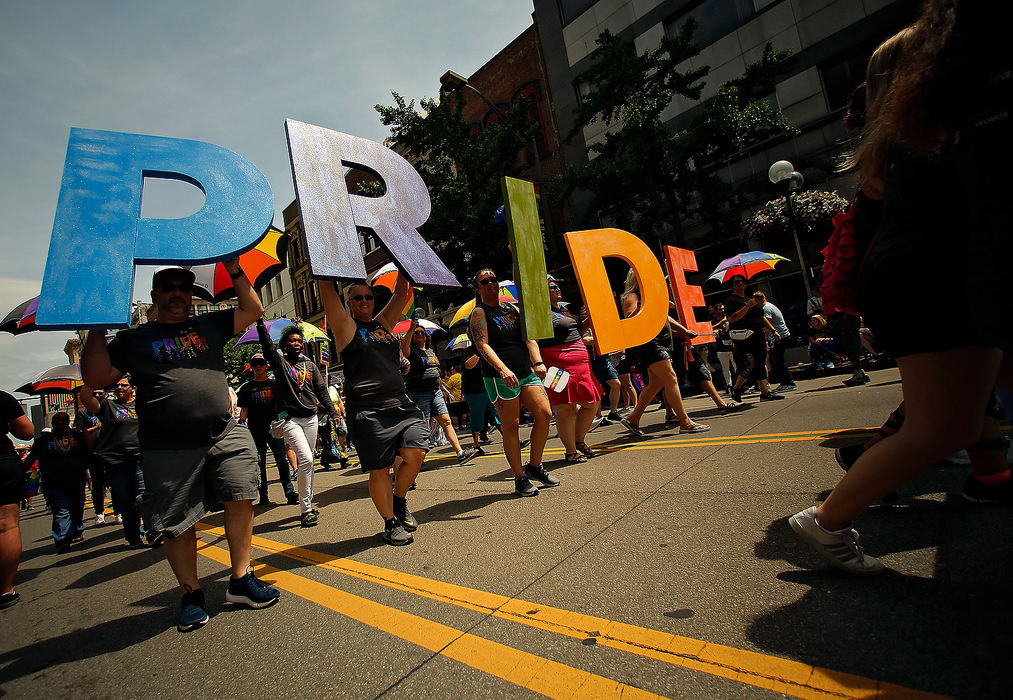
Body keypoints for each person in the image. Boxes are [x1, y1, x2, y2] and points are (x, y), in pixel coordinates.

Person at [789, 3, 1013, 573]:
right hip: (930, 283)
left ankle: (990, 478)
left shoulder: (910, 138)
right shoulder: (931, 132)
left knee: (963, 409)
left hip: (929, 281)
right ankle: (831, 515)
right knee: (947, 421)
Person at [82, 264, 280, 631]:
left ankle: (240, 579)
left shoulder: (209, 325)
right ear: (155, 296)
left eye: (184, 289)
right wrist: (95, 323)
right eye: (169, 288)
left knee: (241, 497)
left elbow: (253, 311)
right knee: (176, 523)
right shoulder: (134, 339)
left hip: (224, 432)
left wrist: (235, 270)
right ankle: (191, 593)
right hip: (167, 447)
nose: (178, 294)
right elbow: (95, 377)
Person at [318, 274, 427, 545]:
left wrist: (403, 264)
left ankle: (398, 500)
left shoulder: (382, 324)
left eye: (369, 297)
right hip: (368, 411)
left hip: (401, 404)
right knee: (379, 470)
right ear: (349, 303)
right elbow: (327, 292)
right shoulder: (345, 327)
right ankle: (390, 523)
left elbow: (400, 294)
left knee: (416, 453)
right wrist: (323, 261)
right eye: (358, 297)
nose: (365, 301)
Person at [469, 268, 555, 496]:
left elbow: (529, 337)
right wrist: (502, 368)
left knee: (545, 414)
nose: (491, 283)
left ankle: (535, 466)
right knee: (511, 425)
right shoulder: (479, 313)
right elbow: (482, 344)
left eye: (493, 279)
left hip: (525, 372)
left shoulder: (512, 308)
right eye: (485, 281)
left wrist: (538, 362)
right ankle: (519, 477)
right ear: (478, 289)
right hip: (499, 376)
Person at [256, 321, 336, 527]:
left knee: (307, 464)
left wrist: (333, 411)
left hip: (311, 418)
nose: (297, 344)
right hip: (289, 419)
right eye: (292, 341)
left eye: (299, 341)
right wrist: (259, 323)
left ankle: (307, 502)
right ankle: (306, 509)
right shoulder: (279, 362)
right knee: (307, 459)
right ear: (284, 345)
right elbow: (267, 347)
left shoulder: (309, 366)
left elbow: (321, 390)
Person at [619, 271, 709, 436]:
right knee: (671, 379)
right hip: (651, 345)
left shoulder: (648, 297)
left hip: (659, 344)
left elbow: (665, 317)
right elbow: (630, 318)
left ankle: (633, 418)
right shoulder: (632, 296)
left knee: (656, 383)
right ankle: (685, 422)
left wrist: (684, 331)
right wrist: (651, 305)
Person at [539, 279, 602, 463]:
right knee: (565, 408)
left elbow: (576, 331)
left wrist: (588, 321)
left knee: (592, 403)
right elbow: (532, 339)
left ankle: (578, 441)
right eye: (552, 287)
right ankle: (570, 451)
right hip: (556, 364)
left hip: (581, 364)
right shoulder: (540, 313)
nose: (557, 288)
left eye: (558, 285)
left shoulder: (564, 310)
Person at [80, 378, 148, 547]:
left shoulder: (142, 404)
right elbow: (87, 400)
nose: (119, 387)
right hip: (116, 461)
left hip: (141, 458)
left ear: (132, 387)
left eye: (123, 385)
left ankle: (153, 531)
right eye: (116, 385)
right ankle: (134, 538)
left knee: (144, 495)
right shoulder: (107, 405)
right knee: (126, 500)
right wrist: (93, 377)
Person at [400, 322, 479, 465]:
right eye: (417, 333)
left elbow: (436, 371)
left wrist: (442, 388)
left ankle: (460, 453)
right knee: (424, 426)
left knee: (446, 421)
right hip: (419, 393)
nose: (420, 335)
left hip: (435, 391)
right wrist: (411, 329)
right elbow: (403, 349)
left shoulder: (430, 351)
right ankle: (418, 458)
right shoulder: (410, 351)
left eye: (422, 332)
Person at [237, 353, 297, 506]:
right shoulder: (246, 388)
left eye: (260, 363)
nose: (257, 366)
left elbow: (283, 406)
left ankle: (289, 492)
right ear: (251, 367)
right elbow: (244, 410)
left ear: (266, 366)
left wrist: (284, 421)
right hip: (255, 430)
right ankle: (263, 495)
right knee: (259, 463)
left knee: (281, 461)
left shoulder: (275, 385)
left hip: (274, 429)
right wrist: (242, 424)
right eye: (254, 363)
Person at [26, 412, 91, 553]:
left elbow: (91, 447)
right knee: (61, 510)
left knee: (77, 507)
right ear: (52, 424)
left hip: (76, 480)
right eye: (56, 421)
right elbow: (32, 457)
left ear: (68, 422)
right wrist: (19, 470)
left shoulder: (77, 435)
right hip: (53, 482)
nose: (60, 423)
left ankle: (76, 528)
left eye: (63, 421)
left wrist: (84, 429)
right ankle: (63, 540)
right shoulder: (43, 441)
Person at [724, 278, 784, 403]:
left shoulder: (750, 299)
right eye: (737, 282)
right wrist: (747, 306)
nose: (740, 284)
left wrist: (773, 330)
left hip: (758, 336)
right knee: (750, 364)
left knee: (761, 363)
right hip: (745, 339)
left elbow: (761, 317)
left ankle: (765, 392)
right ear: (733, 286)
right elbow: (732, 318)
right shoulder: (732, 301)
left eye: (742, 281)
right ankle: (736, 388)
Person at [1, 390, 34, 609]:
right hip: (1, 462)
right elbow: (27, 432)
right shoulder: (2, 399)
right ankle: (4, 589)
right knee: (6, 526)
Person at [756, 292, 797, 392]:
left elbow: (767, 326)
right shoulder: (771, 306)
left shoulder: (766, 309)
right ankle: (785, 382)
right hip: (780, 336)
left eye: (756, 302)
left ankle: (789, 382)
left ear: (759, 300)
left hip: (779, 337)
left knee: (777, 361)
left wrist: (765, 340)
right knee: (776, 360)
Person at [461, 353, 499, 451]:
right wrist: (479, 352)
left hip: (489, 387)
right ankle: (476, 444)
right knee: (477, 417)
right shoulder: (468, 352)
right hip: (475, 391)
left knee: (499, 414)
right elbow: (468, 365)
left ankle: (511, 440)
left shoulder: (488, 350)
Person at [709, 303, 736, 393]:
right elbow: (710, 329)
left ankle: (739, 384)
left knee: (736, 366)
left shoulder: (730, 318)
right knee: (725, 368)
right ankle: (729, 385)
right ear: (716, 311)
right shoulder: (713, 322)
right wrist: (721, 323)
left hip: (732, 347)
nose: (723, 311)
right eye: (720, 309)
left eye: (724, 309)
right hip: (721, 348)